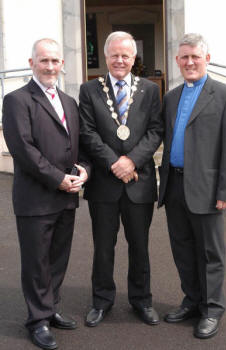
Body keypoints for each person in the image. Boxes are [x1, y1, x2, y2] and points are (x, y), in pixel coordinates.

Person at [2, 38, 91, 350]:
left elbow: (76, 146)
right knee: (37, 262)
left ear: (62, 65)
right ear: (31, 63)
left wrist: (83, 170)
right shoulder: (16, 100)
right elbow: (23, 150)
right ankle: (37, 320)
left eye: (55, 61)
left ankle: (50, 308)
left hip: (66, 196)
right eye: (44, 61)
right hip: (36, 197)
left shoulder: (69, 102)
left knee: (57, 258)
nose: (50, 66)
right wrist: (58, 179)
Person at [158, 33, 226, 339]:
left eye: (195, 56)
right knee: (182, 249)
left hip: (207, 190)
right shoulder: (170, 97)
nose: (189, 62)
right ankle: (192, 300)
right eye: (184, 57)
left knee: (210, 253)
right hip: (174, 185)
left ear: (206, 59)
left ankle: (211, 309)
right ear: (177, 60)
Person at [79, 31, 163, 327]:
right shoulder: (89, 90)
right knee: (103, 247)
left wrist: (132, 161)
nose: (120, 60)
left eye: (126, 55)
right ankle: (101, 300)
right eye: (114, 54)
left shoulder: (150, 91)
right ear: (105, 57)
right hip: (104, 182)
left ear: (134, 58)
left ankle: (142, 300)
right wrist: (115, 163)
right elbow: (87, 133)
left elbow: (156, 130)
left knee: (139, 245)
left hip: (138, 182)